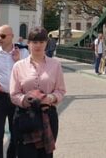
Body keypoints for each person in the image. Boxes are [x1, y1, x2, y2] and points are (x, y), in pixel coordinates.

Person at [10, 28, 66, 158]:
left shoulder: (55, 65)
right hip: (25, 116)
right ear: (28, 43)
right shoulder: (18, 66)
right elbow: (14, 94)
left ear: (46, 43)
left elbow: (61, 90)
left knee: (46, 154)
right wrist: (27, 99)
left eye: (41, 42)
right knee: (25, 154)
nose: (38, 45)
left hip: (47, 115)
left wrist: (51, 98)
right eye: (34, 42)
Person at [0, 24, 29, 158]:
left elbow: (28, 75)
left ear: (12, 36)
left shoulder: (23, 53)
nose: (0, 38)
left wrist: (18, 61)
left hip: (16, 97)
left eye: (3, 36)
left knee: (16, 133)